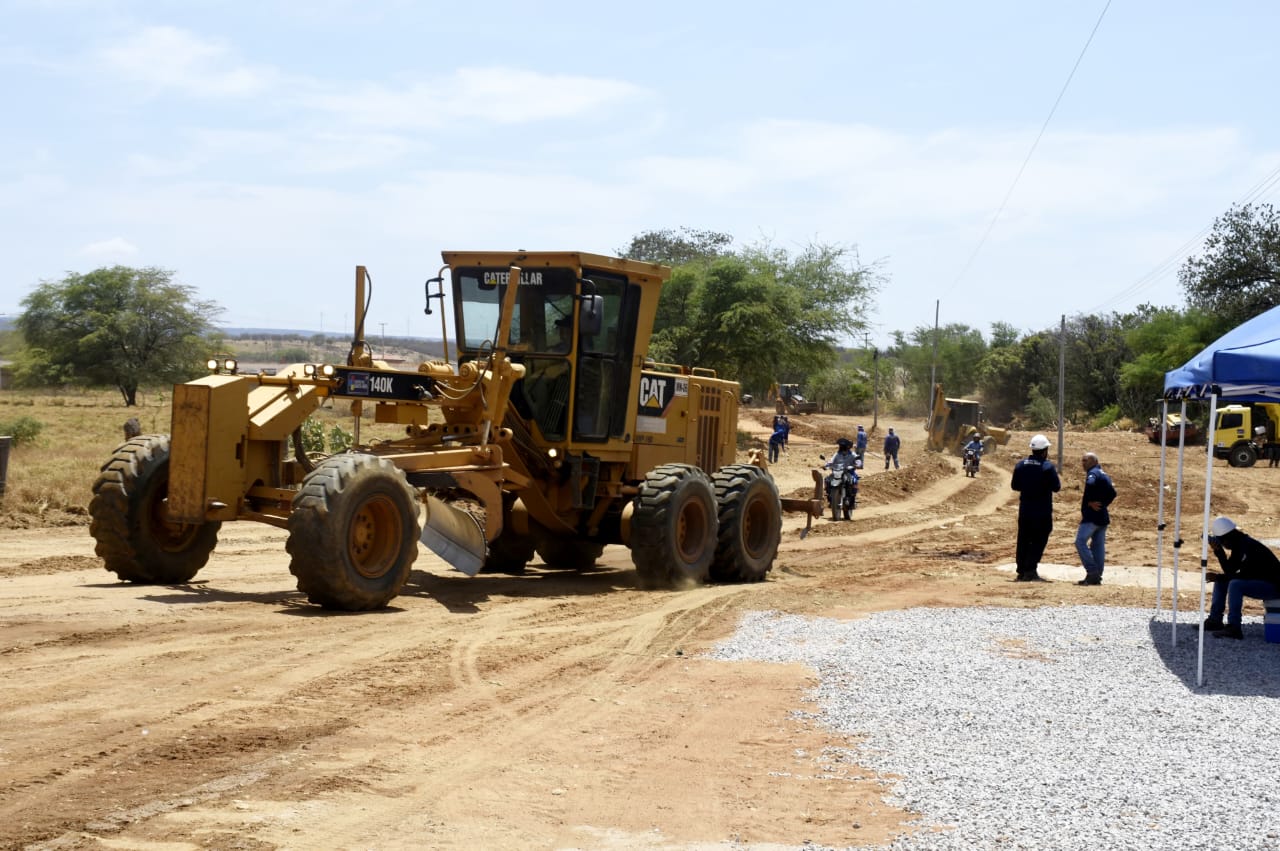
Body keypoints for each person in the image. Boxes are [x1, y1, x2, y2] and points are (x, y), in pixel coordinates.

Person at [1202, 516, 1280, 640]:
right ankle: (1215, 620)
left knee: (1234, 584)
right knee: (1222, 582)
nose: (1223, 544)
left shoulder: (1247, 547)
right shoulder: (1239, 544)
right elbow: (1230, 570)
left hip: (1273, 587)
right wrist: (1219, 552)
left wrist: (1219, 575)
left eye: (1221, 542)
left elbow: (1241, 576)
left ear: (1226, 539)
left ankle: (1234, 627)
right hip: (1261, 582)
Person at [1010, 434, 1061, 582]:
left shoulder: (1020, 465)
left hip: (1025, 510)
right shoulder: (1047, 467)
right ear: (1045, 451)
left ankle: (1021, 571)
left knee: (1023, 539)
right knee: (1039, 539)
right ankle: (1030, 570)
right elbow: (1056, 487)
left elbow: (1015, 486)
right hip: (1042, 512)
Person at [1075, 452, 1116, 586]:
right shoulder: (1104, 474)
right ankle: (1096, 576)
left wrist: (1091, 502)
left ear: (1094, 461)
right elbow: (1113, 493)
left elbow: (1091, 483)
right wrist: (1103, 503)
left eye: (1086, 460)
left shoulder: (1092, 473)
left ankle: (1092, 571)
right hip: (1102, 517)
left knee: (1080, 542)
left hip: (1091, 518)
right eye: (1082, 460)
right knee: (1098, 546)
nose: (1083, 463)